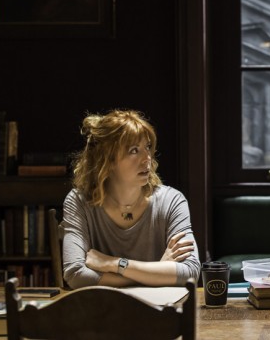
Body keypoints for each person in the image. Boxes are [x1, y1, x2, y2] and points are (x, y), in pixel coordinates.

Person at [61, 109, 201, 289]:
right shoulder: (78, 201)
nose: (147, 159)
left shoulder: (172, 201)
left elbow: (190, 273)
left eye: (148, 147)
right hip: (101, 311)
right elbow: (75, 274)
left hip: (160, 312)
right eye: (134, 150)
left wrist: (115, 264)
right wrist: (157, 271)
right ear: (107, 160)